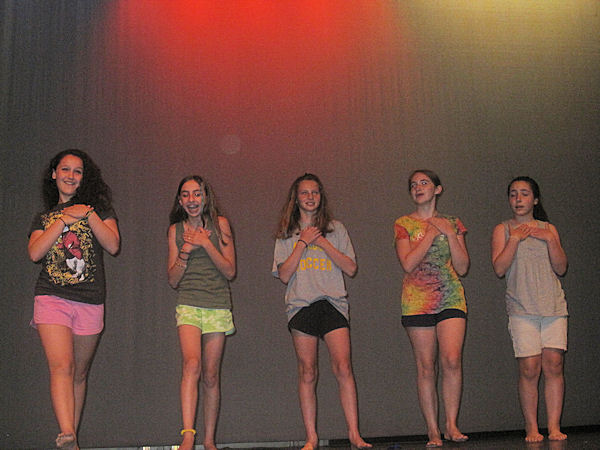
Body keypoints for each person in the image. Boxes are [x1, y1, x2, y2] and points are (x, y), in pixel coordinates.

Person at [28, 149, 120, 449]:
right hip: (52, 298)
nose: (70, 175)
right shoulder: (44, 217)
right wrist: (62, 221)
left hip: (90, 300)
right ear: (54, 174)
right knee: (62, 366)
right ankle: (67, 433)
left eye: (77, 171)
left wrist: (88, 214)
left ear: (84, 177)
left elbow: (113, 245)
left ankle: (73, 438)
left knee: (79, 374)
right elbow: (35, 253)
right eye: (65, 169)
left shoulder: (98, 210)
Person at [272, 173, 371, 450]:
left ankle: (354, 434)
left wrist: (323, 242)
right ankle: (311, 438)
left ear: (321, 196)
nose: (310, 197)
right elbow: (284, 275)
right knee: (307, 371)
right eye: (304, 193)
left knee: (343, 367)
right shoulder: (286, 232)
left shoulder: (336, 229)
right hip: (301, 305)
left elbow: (351, 268)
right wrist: (303, 242)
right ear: (296, 198)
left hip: (333, 303)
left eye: (315, 192)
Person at [394, 169, 469, 448]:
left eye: (424, 182)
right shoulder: (403, 223)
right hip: (417, 301)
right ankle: (433, 430)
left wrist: (449, 232)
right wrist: (429, 233)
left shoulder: (453, 222)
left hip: (450, 296)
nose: (418, 187)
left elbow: (463, 266)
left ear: (438, 189)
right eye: (413, 184)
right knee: (426, 366)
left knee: (452, 360)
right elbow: (407, 263)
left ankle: (451, 424)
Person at [491, 176, 568, 443]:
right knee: (529, 368)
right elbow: (499, 268)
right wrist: (514, 240)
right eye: (513, 194)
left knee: (554, 365)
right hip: (522, 308)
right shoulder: (502, 229)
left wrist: (550, 240)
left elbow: (561, 268)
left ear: (535, 199)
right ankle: (532, 428)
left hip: (553, 307)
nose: (518, 199)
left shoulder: (549, 228)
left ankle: (554, 426)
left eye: (524, 194)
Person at [167, 175, 236, 450]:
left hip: (217, 303)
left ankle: (209, 441)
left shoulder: (220, 225)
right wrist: (186, 249)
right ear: (180, 200)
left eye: (197, 193)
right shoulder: (175, 230)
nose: (192, 200)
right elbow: (173, 280)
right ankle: (188, 436)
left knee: (210, 375)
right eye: (186, 194)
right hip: (189, 302)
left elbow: (230, 271)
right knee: (191, 364)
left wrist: (206, 243)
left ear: (205, 197)